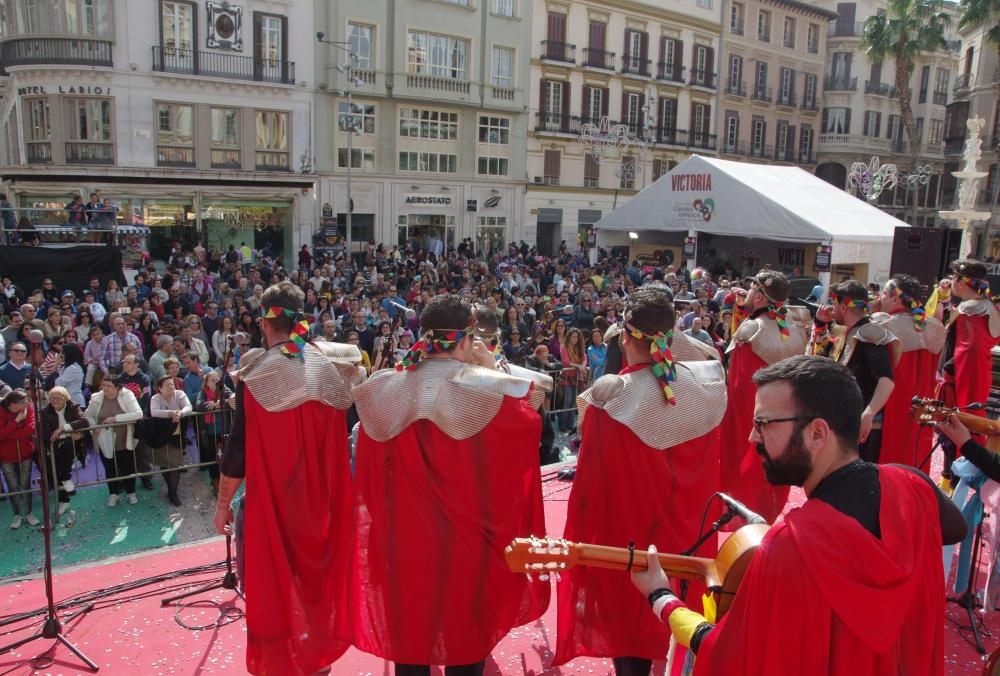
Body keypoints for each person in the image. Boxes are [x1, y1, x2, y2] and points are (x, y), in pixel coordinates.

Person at [630, 355, 966, 675]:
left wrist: (661, 597)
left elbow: (727, 655)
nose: (752, 437)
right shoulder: (915, 486)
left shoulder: (790, 546)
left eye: (763, 424)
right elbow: (956, 528)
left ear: (818, 433)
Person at [351, 294, 549, 675]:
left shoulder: (387, 386)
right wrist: (492, 367)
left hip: (404, 539)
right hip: (468, 540)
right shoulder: (488, 387)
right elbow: (531, 423)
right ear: (466, 339)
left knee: (410, 645)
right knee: (464, 644)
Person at [554, 283, 727, 675]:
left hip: (632, 538)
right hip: (691, 535)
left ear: (627, 337)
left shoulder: (612, 398)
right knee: (682, 629)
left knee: (631, 640)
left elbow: (591, 490)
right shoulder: (708, 388)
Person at [214, 281, 365, 675]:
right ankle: (317, 662)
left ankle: (284, 663)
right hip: (325, 503)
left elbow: (238, 450)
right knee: (319, 583)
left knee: (274, 589)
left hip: (276, 504)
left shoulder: (255, 374)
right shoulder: (336, 372)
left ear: (266, 323)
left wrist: (222, 507)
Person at [718, 270, 807, 524]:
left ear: (759, 297)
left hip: (752, 416)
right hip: (786, 414)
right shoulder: (793, 327)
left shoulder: (751, 331)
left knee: (749, 463)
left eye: (753, 288)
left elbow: (739, 387)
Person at [810, 280, 896, 464]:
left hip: (861, 424)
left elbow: (886, 380)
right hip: (845, 419)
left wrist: (869, 413)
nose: (831, 308)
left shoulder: (869, 333)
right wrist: (820, 323)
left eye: (834, 304)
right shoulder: (846, 331)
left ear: (843, 307)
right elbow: (820, 358)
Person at [871, 274, 946, 470]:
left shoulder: (882, 325)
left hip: (892, 402)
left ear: (895, 298)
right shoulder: (934, 326)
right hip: (922, 404)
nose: (880, 298)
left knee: (888, 465)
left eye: (885, 294)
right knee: (916, 455)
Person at [937, 259, 1000, 479]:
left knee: (960, 426)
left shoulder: (970, 312)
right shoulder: (988, 307)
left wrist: (948, 371)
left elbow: (967, 350)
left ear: (962, 281)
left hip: (963, 382)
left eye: (953, 277)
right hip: (974, 378)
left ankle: (957, 477)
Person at [84, 373, 143, 507]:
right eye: (103, 385)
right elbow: (88, 416)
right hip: (104, 439)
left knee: (127, 466)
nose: (105, 388)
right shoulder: (96, 398)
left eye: (109, 386)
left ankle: (131, 492)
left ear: (117, 387)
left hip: (123, 438)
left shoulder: (127, 395)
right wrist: (95, 427)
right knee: (109, 467)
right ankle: (113, 494)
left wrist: (115, 419)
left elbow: (138, 413)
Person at [40, 386, 88, 518]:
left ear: (65, 399)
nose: (54, 401)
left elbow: (84, 421)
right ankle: (64, 500)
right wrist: (66, 434)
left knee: (65, 452)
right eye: (51, 398)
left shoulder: (73, 407)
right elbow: (45, 433)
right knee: (52, 474)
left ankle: (66, 478)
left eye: (58, 398)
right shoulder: (45, 412)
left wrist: (63, 428)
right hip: (52, 446)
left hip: (71, 445)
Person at [149, 375, 193, 507]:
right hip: (160, 435)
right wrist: (171, 413)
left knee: (174, 464)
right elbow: (154, 412)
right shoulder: (155, 398)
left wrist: (180, 413)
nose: (171, 386)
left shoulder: (179, 394)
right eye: (167, 385)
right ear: (160, 388)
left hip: (176, 435)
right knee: (164, 463)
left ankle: (173, 493)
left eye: (172, 384)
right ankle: (170, 489)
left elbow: (188, 407)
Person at [0, 389, 39, 529]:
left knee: (25, 484)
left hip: (25, 454)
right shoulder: (1, 410)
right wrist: (17, 421)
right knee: (13, 487)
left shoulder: (28, 408)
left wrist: (8, 432)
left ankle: (28, 513)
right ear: (13, 404)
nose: (27, 403)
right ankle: (17, 514)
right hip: (6, 457)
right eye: (23, 402)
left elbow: (30, 429)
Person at [195, 370, 233, 496]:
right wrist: (212, 405)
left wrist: (217, 404)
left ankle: (225, 483)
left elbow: (232, 400)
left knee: (226, 456)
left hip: (225, 429)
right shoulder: (203, 393)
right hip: (210, 431)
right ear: (206, 382)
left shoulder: (224, 389)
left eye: (217, 380)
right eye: (212, 380)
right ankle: (215, 481)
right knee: (212, 457)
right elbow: (199, 405)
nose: (216, 382)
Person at [54, 342, 86, 407]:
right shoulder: (66, 366)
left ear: (69, 354)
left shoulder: (73, 368)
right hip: (67, 402)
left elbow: (58, 383)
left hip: (75, 403)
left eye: (62, 353)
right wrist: (56, 363)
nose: (60, 355)